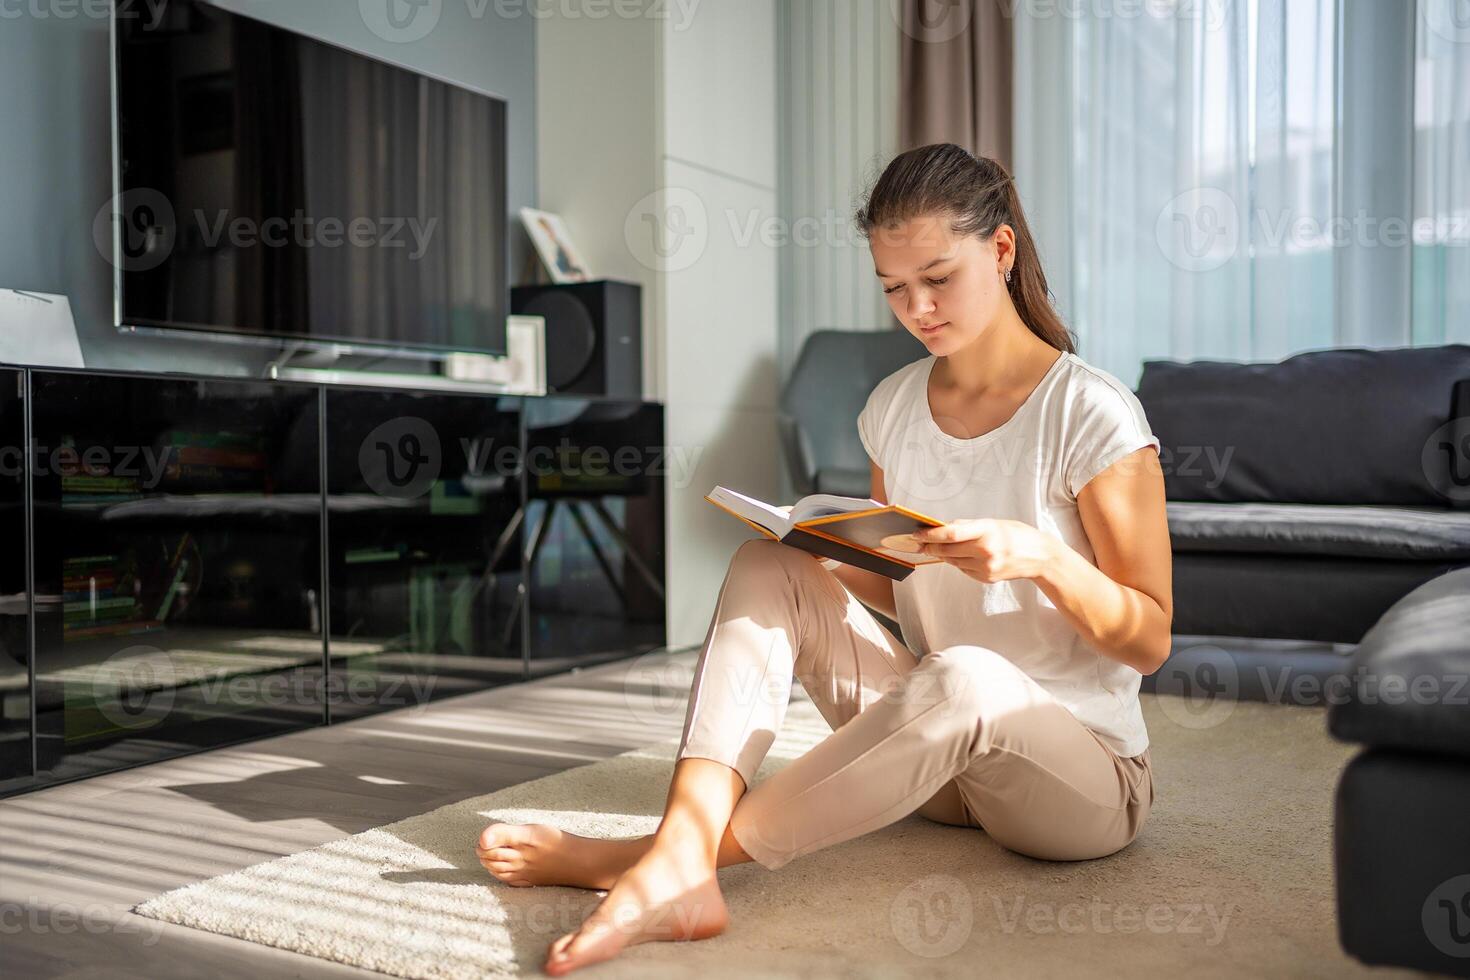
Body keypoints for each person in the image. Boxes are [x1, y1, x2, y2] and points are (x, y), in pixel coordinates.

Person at [475, 143, 1173, 976]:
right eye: (893, 288)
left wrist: (1041, 561)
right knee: (769, 569)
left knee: (967, 676)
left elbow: (1151, 637)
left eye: (938, 278)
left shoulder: (1091, 410)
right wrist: (824, 553)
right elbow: (904, 580)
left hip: (1081, 780)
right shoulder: (893, 407)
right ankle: (681, 854)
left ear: (1000, 250)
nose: (917, 308)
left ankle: (656, 860)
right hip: (944, 774)